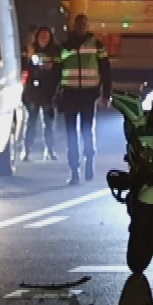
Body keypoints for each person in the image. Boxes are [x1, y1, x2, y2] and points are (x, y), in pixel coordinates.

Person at [54, 14, 112, 185]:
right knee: (71, 134)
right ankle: (74, 170)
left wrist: (106, 94)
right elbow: (56, 72)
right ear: (74, 25)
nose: (81, 27)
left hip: (89, 94)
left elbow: (106, 71)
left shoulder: (97, 45)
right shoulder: (64, 47)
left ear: (88, 26)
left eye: (84, 24)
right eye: (79, 24)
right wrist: (52, 95)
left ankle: (89, 162)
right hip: (69, 94)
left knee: (87, 131)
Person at [21, 25, 60, 161]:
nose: (44, 39)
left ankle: (50, 150)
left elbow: (58, 73)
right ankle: (26, 151)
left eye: (46, 36)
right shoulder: (31, 51)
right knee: (31, 123)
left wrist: (54, 95)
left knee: (49, 124)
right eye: (41, 36)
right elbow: (27, 72)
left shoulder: (55, 52)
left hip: (49, 93)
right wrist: (29, 96)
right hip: (34, 92)